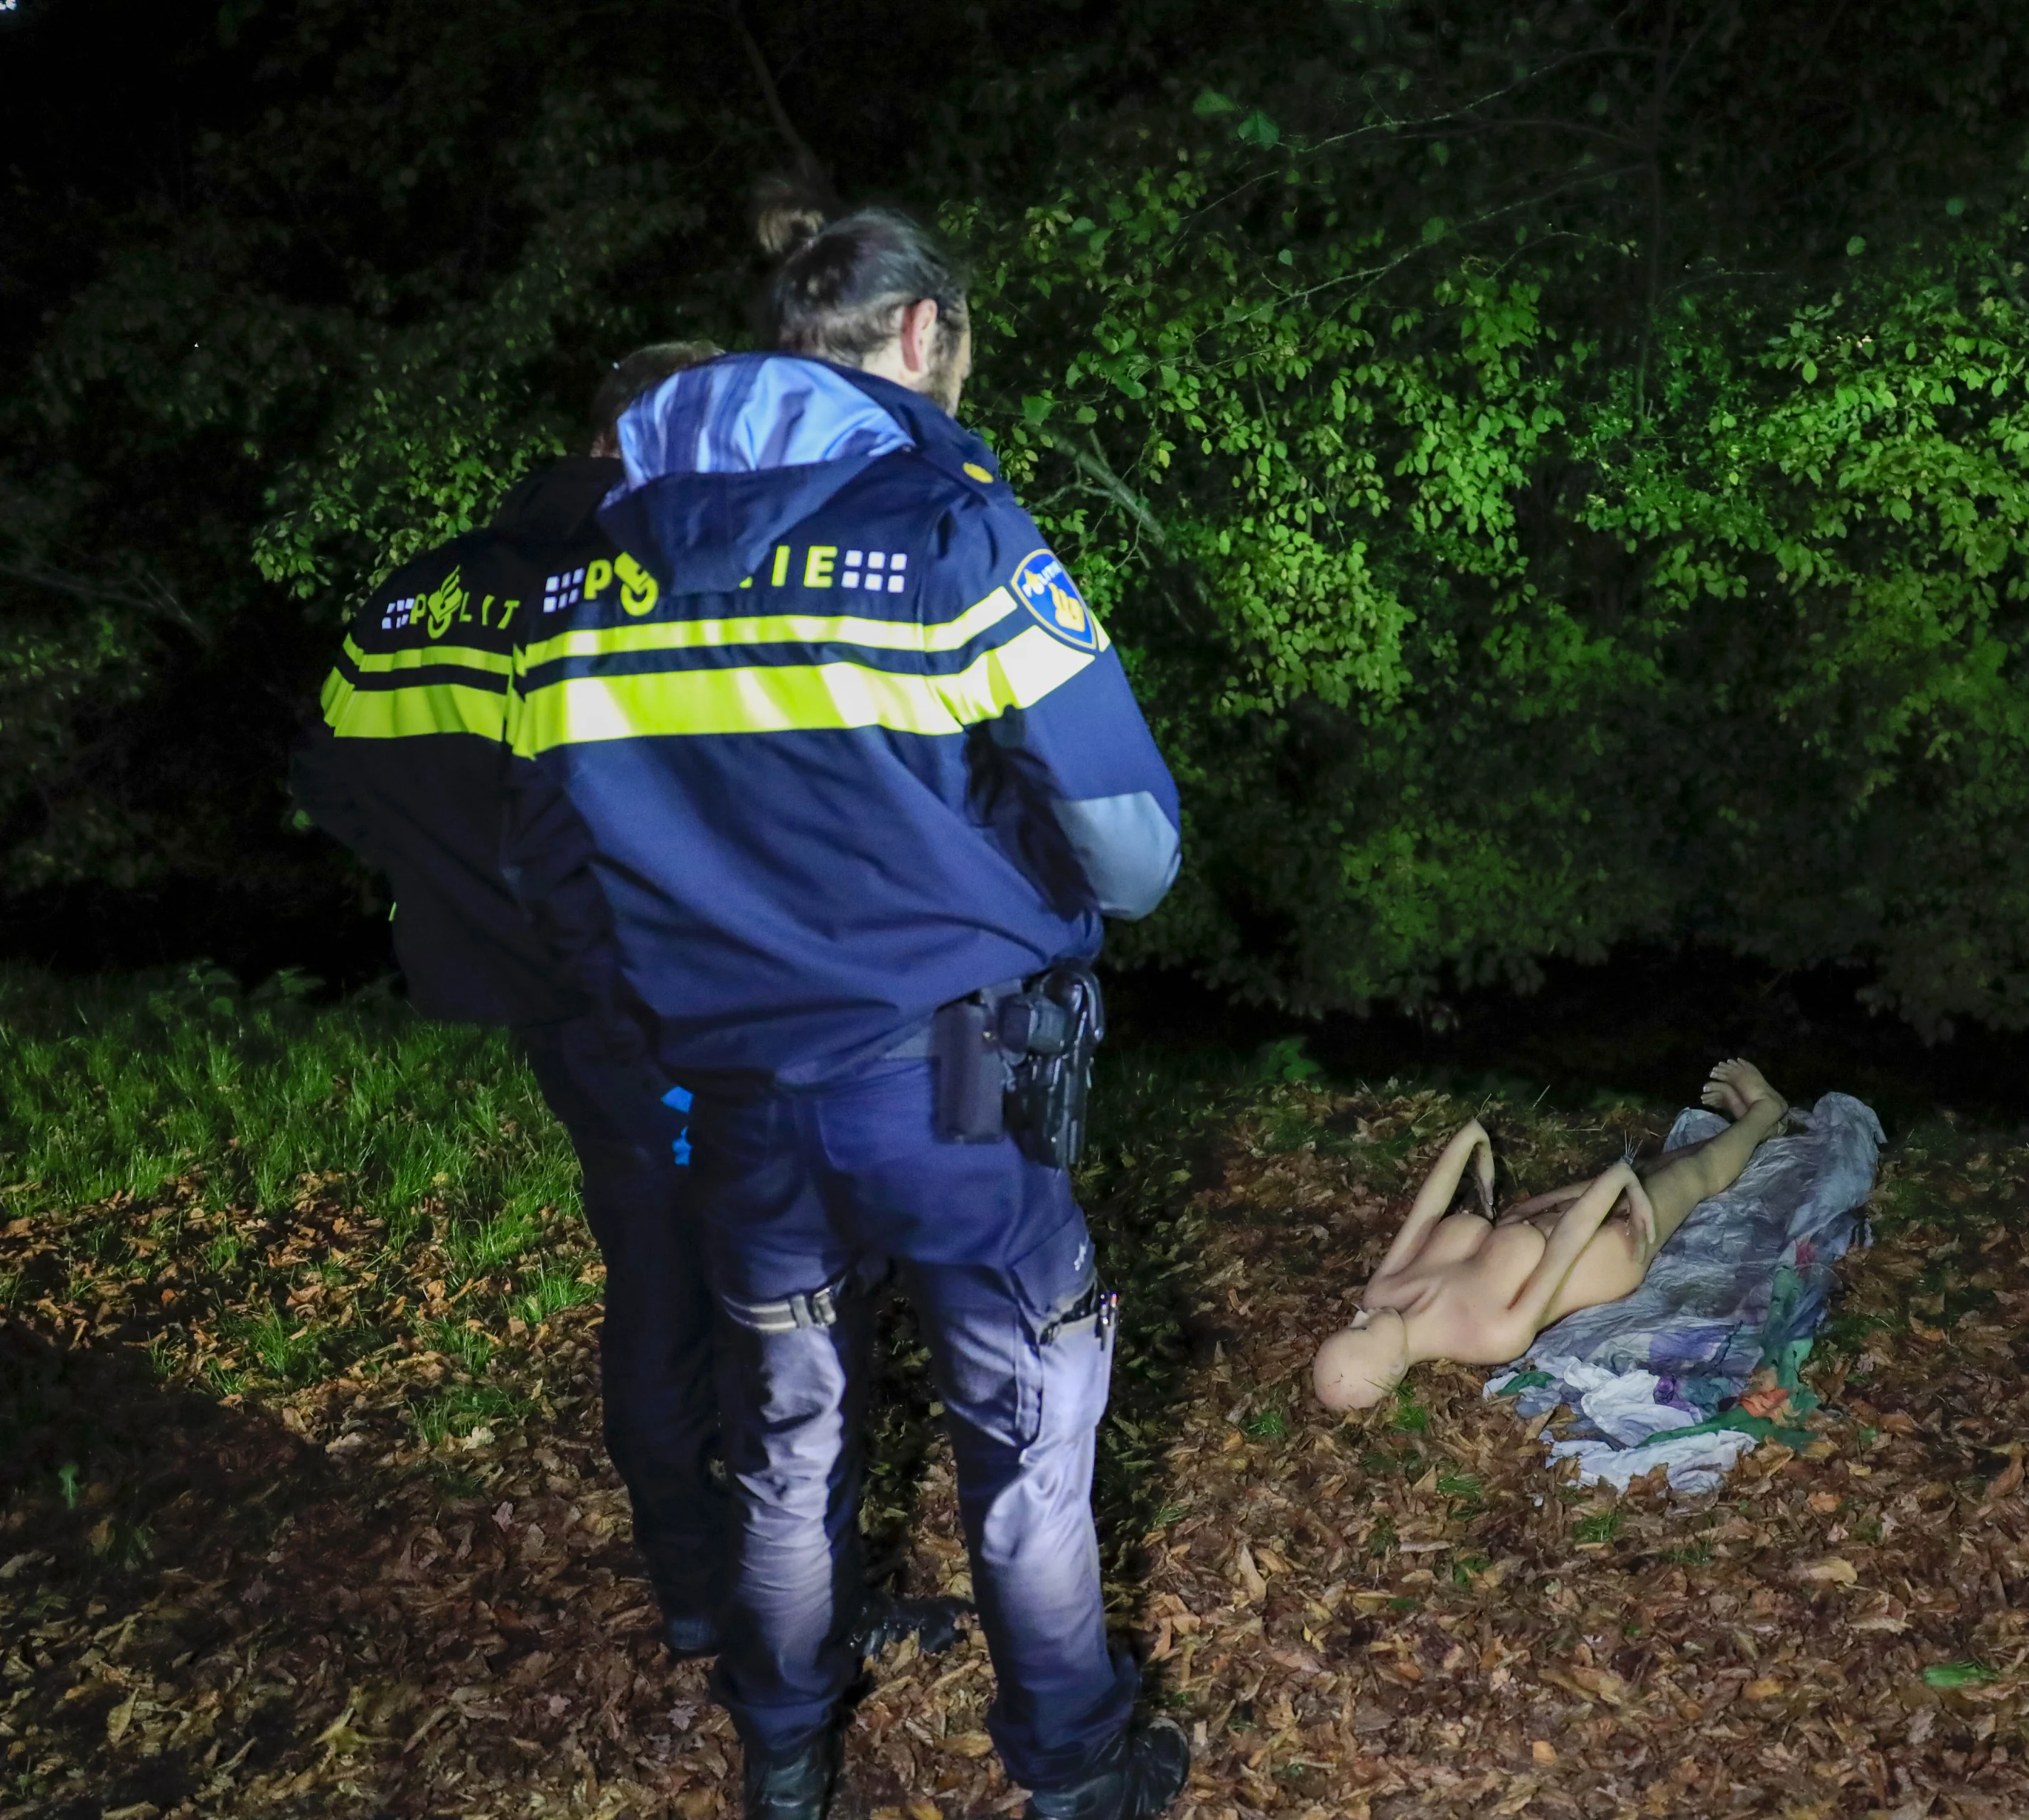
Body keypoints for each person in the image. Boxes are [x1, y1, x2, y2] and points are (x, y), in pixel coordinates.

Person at [502, 194, 1187, 1820]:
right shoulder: (948, 533)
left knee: (787, 1432)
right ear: (915, 333)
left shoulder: (587, 581)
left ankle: (788, 1755)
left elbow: (564, 871)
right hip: (949, 1071)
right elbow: (1135, 849)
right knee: (1025, 1411)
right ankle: (1077, 1763)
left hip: (736, 1092)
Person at [291, 343, 734, 1654]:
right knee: (700, 1290)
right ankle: (726, 1600)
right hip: (655, 997)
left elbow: (328, 775)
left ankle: (718, 1589)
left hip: (549, 1007)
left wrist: (466, 904)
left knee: (659, 1270)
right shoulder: (642, 584)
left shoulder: (419, 594)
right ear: (637, 445)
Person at [1312, 1059, 1790, 1410]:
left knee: (1653, 1169)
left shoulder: (1384, 1294)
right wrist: (1617, 1182)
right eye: (1363, 1333)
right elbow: (1562, 1253)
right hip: (1601, 1249)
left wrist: (1468, 1141)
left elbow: (1426, 1213)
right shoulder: (1489, 1336)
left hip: (1537, 1222)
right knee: (1691, 1177)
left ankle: (1756, 1134)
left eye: (1348, 1325)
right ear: (1395, 1369)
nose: (1359, 1316)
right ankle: (1766, 1111)